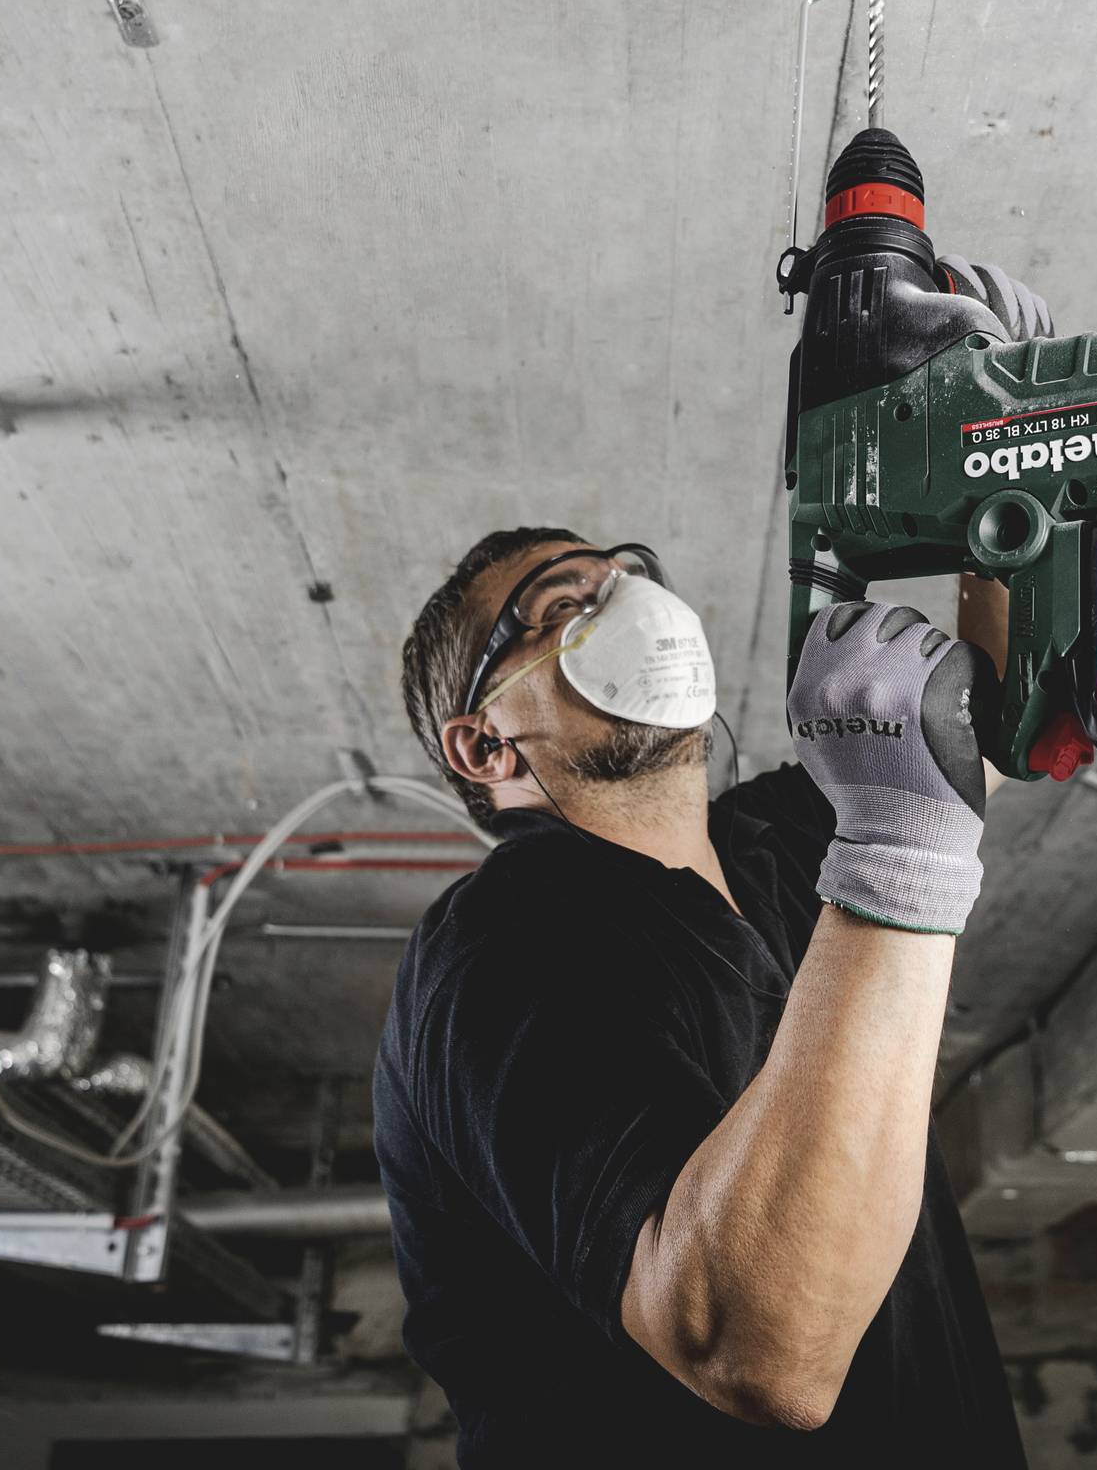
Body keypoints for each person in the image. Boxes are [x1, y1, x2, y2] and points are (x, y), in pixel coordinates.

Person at [374, 274, 1047, 1466]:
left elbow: (995, 724)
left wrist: (1008, 447)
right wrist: (902, 848)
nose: (626, 607)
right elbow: (758, 1344)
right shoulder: (500, 941)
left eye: (623, 582)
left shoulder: (777, 844)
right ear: (484, 745)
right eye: (563, 607)